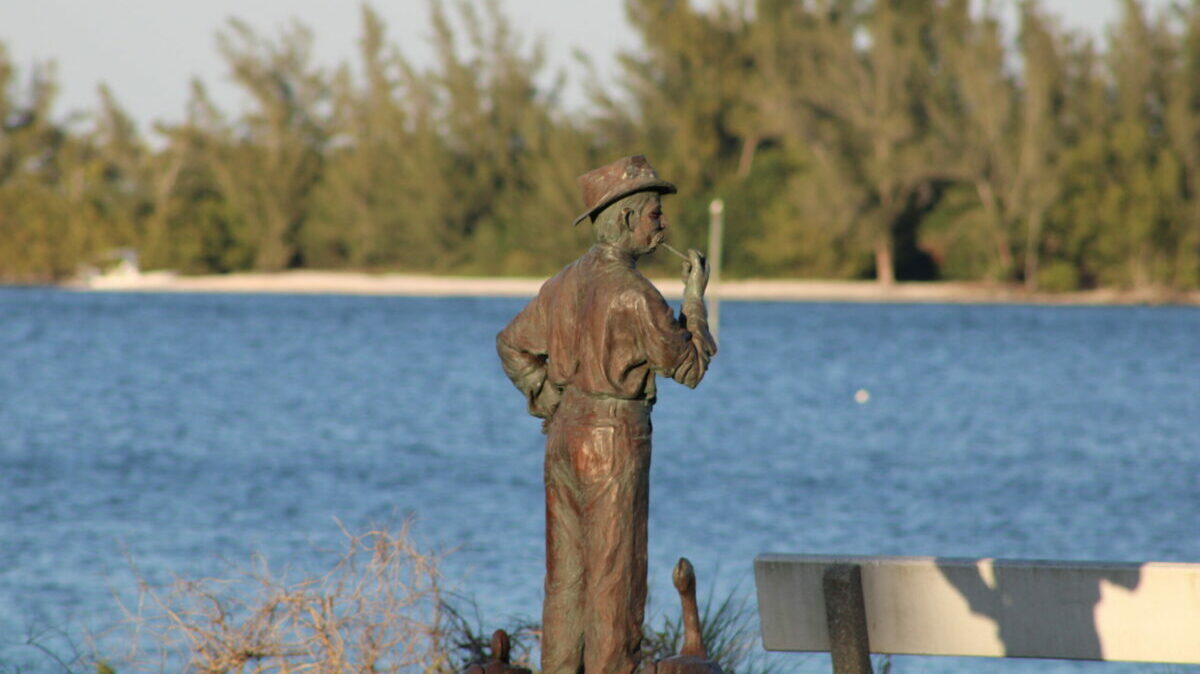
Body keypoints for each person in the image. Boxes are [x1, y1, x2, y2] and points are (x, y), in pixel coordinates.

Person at [496, 155, 717, 674]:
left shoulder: (563, 284)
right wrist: (695, 299)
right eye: (655, 214)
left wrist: (548, 396)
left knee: (566, 579)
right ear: (622, 221)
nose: (663, 224)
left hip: (563, 440)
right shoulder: (636, 296)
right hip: (614, 441)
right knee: (614, 580)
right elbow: (690, 367)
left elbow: (511, 345)